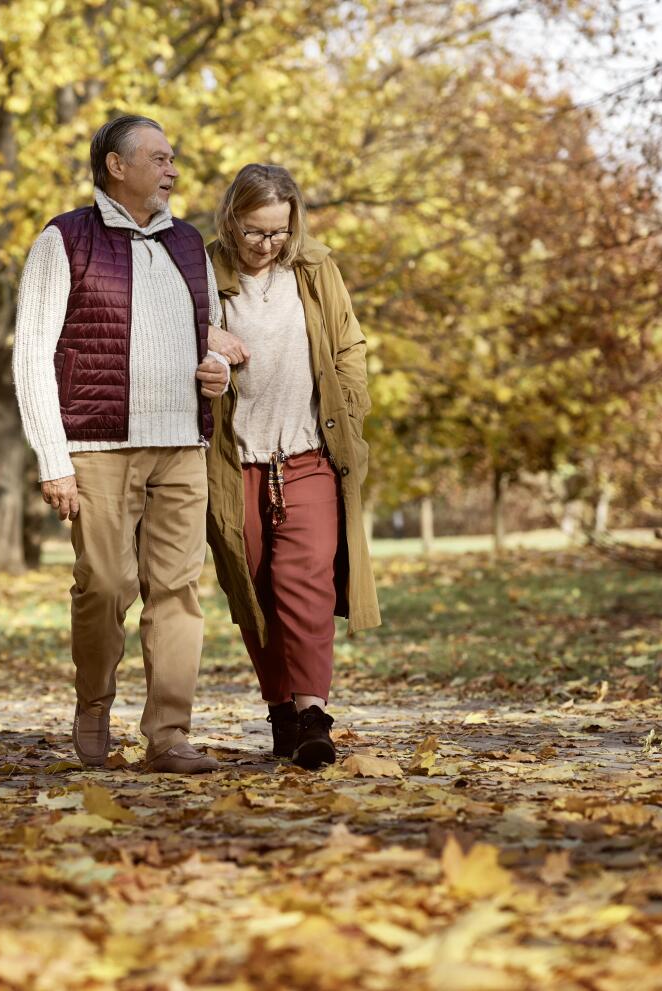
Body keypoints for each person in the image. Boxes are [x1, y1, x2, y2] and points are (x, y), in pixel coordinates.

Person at [13, 114, 232, 774]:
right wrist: (53, 458)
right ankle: (93, 700)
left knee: (178, 590)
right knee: (105, 584)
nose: (172, 170)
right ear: (117, 165)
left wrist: (218, 374)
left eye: (173, 159)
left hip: (182, 446)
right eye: (160, 158)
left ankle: (169, 733)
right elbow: (31, 353)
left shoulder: (190, 244)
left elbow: (213, 338)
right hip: (97, 447)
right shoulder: (66, 239)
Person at [203, 164, 382, 769]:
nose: (267, 245)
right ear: (231, 219)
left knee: (305, 585)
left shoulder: (314, 269)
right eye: (255, 232)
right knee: (254, 591)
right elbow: (170, 339)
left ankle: (312, 717)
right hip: (234, 463)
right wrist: (205, 344)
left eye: (279, 232)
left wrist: (350, 410)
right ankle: (280, 709)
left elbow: (349, 345)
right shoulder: (202, 271)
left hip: (307, 452)